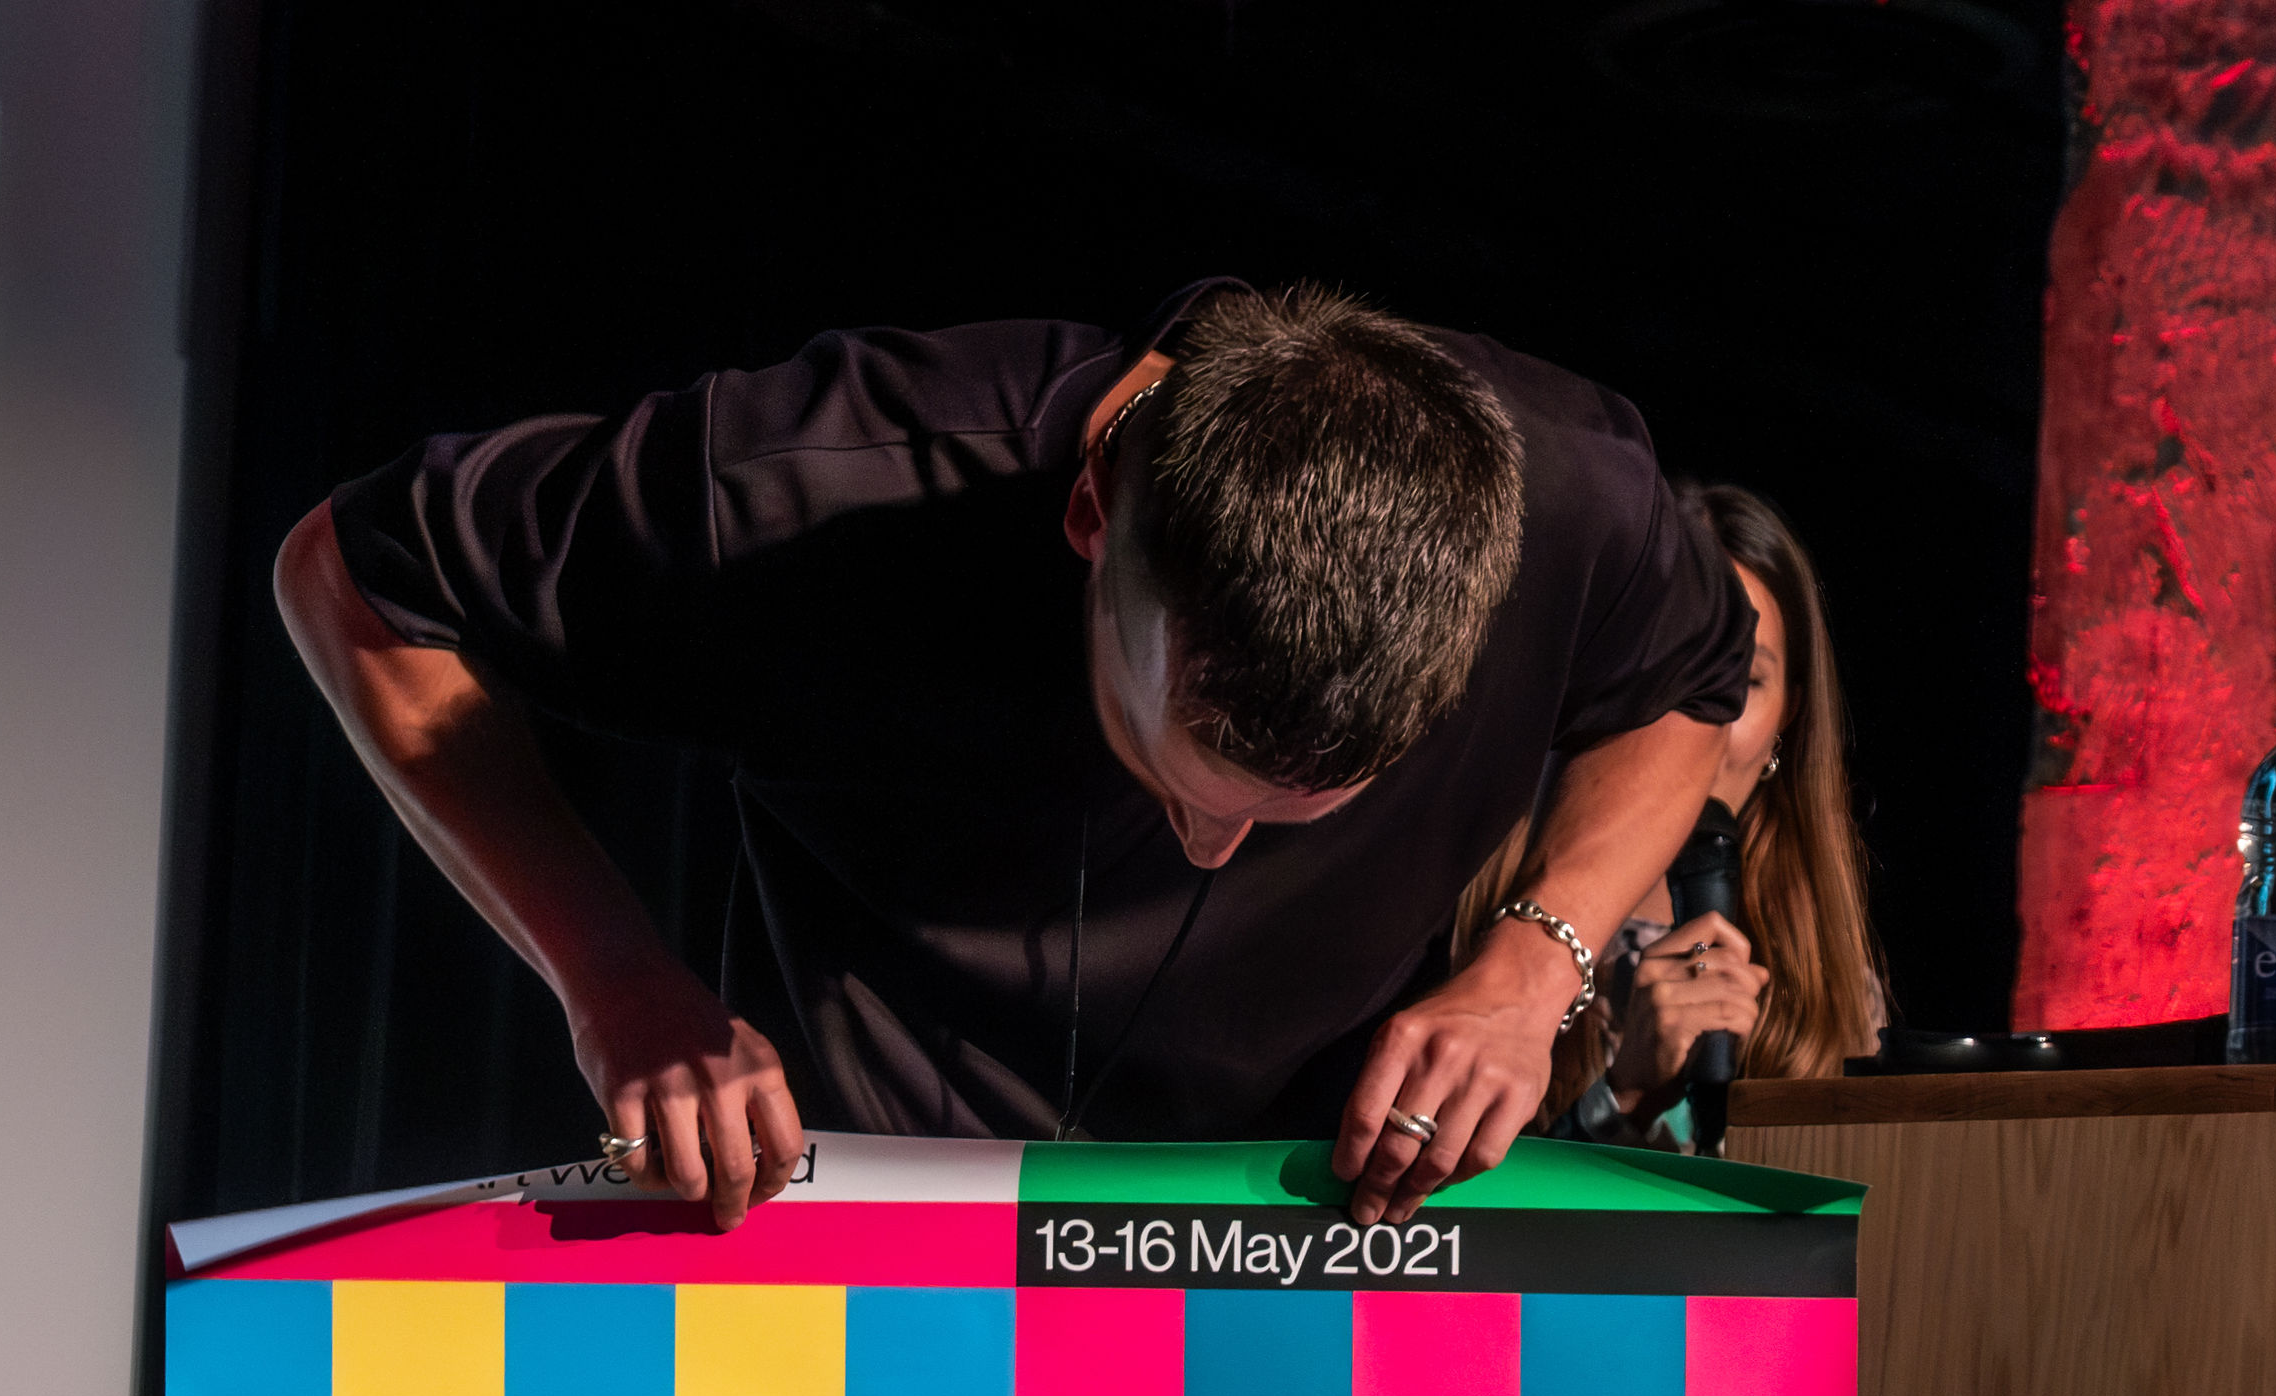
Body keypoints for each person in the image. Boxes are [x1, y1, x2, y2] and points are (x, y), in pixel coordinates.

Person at [278, 283, 1756, 1224]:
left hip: (1304, 1222)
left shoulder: (1570, 495)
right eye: (1176, 777)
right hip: (876, 1228)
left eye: (1293, 814)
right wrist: (615, 980)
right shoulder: (813, 489)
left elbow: (1691, 681)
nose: (1210, 852)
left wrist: (1535, 965)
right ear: (1090, 519)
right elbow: (350, 577)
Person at [1457, 481, 1885, 1147]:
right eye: (1674, 680)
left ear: (1788, 717)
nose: (1702, 725)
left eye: (1742, 683)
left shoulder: (1829, 967)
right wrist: (1623, 1095)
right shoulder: (1480, 910)